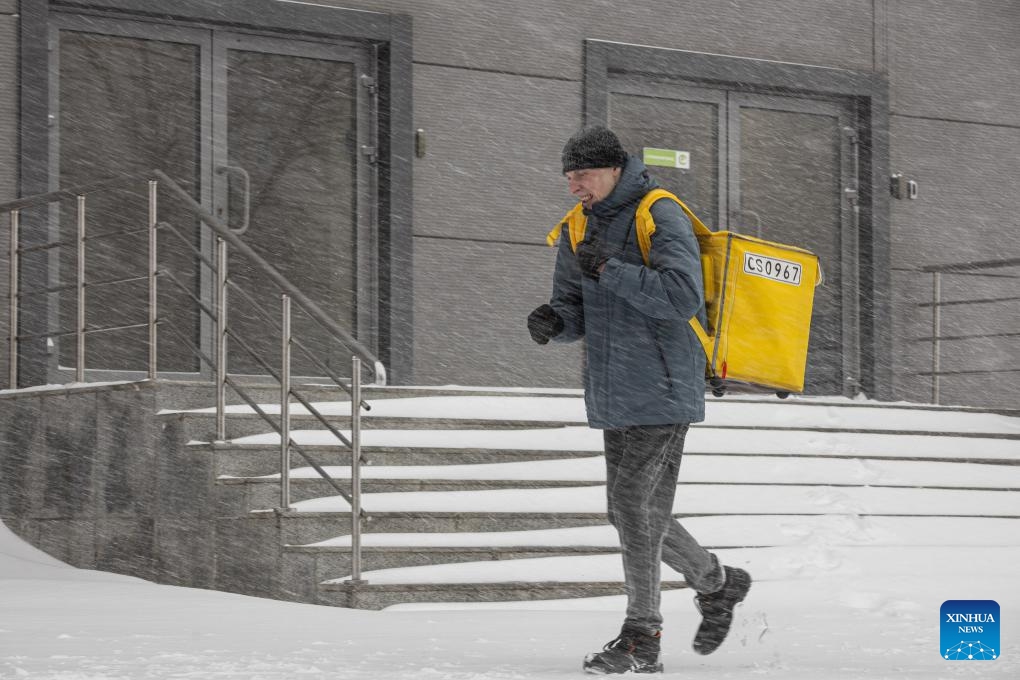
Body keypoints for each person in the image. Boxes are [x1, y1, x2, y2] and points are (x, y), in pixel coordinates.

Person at [527, 126, 752, 674]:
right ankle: (717, 584)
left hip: (663, 384)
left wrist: (611, 268)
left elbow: (681, 297)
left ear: (611, 169)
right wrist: (554, 322)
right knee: (631, 510)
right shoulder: (578, 226)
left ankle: (641, 635)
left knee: (633, 507)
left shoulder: (659, 211)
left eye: (582, 174)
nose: (574, 186)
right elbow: (573, 306)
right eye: (568, 177)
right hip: (613, 387)